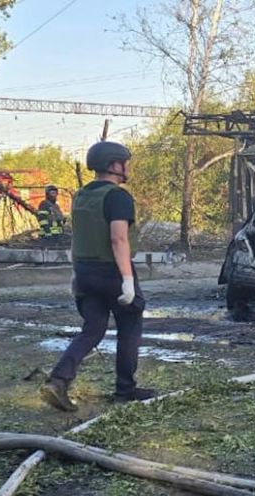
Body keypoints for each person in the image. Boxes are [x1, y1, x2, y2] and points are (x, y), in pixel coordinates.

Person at [40, 141, 156, 412]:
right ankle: (125, 390)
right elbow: (118, 239)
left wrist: (76, 274)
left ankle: (58, 381)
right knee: (129, 326)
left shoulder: (81, 196)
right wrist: (127, 280)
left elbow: (78, 237)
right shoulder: (117, 196)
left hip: (85, 272)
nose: (128, 168)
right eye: (125, 163)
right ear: (114, 165)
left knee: (93, 329)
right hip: (111, 272)